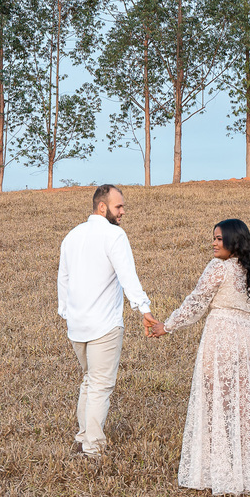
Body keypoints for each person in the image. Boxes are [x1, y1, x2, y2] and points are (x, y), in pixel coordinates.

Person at [148, 219, 250, 494]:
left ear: (234, 241)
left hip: (221, 338)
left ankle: (220, 470)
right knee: (245, 406)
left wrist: (167, 326)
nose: (214, 243)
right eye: (214, 238)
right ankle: (248, 471)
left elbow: (196, 302)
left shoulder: (218, 268)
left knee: (216, 401)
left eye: (219, 238)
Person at [57, 184, 159, 458]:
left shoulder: (72, 236)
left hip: (77, 326)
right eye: (119, 206)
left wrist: (65, 311)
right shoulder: (114, 235)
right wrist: (144, 309)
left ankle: (82, 439)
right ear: (102, 207)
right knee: (100, 385)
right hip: (104, 325)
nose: (123, 211)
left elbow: (63, 279)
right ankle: (93, 448)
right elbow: (128, 275)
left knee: (89, 381)